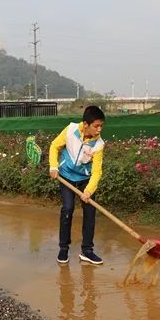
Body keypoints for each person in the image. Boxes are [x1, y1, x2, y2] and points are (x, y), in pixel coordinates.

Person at [48, 105, 106, 265]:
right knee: (67, 208)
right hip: (66, 176)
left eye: (101, 125)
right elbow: (54, 146)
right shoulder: (71, 130)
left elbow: (97, 172)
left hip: (85, 179)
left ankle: (87, 251)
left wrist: (88, 191)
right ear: (86, 124)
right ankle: (63, 248)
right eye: (96, 126)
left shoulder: (98, 144)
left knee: (90, 211)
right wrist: (53, 166)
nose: (99, 129)